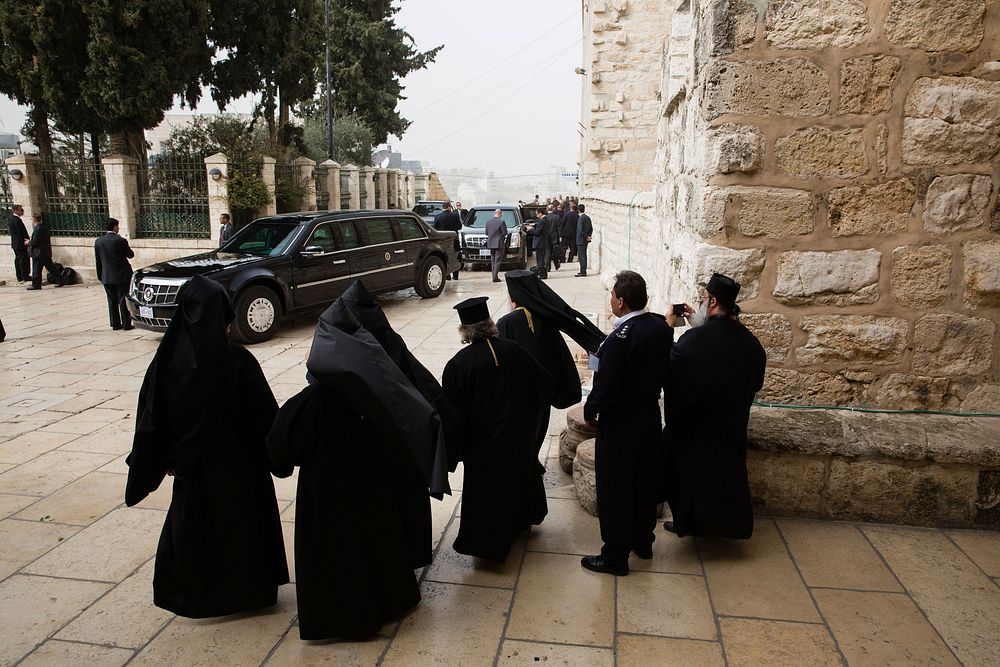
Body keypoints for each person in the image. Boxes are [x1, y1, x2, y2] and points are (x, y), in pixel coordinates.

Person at [267, 297, 449, 640]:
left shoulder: (311, 403)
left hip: (327, 499)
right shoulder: (379, 392)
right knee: (377, 545)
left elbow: (278, 449)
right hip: (374, 491)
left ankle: (343, 619)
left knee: (338, 555)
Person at [124, 275, 289, 617]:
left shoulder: (166, 361)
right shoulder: (238, 361)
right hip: (242, 468)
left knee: (196, 529)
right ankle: (249, 593)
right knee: (243, 527)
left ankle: (196, 597)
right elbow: (265, 415)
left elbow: (151, 418)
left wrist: (163, 457)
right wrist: (281, 454)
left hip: (194, 469)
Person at [442, 297, 554, 561]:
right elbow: (545, 384)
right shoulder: (515, 350)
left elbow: (452, 414)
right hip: (519, 438)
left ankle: (489, 547)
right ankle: (519, 525)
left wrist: (454, 450)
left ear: (465, 331)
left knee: (488, 496)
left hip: (484, 446)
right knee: (517, 482)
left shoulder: (459, 364)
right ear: (490, 324)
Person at [581, 271, 672, 576]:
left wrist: (590, 411)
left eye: (612, 296)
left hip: (620, 424)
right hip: (648, 418)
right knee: (644, 482)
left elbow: (605, 387)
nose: (610, 301)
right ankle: (643, 542)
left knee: (615, 488)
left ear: (620, 301)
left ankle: (615, 555)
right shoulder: (658, 326)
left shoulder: (621, 338)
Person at [662, 273, 766, 540]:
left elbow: (673, 372)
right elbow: (755, 382)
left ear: (713, 301)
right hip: (731, 428)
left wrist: (668, 328)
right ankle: (730, 527)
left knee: (689, 476)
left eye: (704, 298)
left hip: (696, 431)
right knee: (728, 478)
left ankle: (688, 522)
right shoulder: (751, 344)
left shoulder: (693, 342)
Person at [497, 271, 593, 462]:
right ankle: (532, 463)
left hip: (517, 394)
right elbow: (557, 354)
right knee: (538, 428)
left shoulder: (506, 323)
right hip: (542, 391)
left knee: (518, 434)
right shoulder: (545, 319)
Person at [94, 218, 135, 331]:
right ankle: (126, 324)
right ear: (115, 227)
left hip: (106, 276)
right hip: (121, 275)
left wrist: (100, 275)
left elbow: (98, 261)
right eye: (117, 226)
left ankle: (115, 324)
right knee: (123, 299)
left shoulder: (98, 241)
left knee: (111, 300)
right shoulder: (120, 240)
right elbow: (130, 255)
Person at [26, 214, 60, 290]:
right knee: (51, 268)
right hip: (44, 253)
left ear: (34, 220)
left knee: (36, 270)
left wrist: (29, 242)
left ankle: (36, 285)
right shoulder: (43, 228)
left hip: (39, 253)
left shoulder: (38, 229)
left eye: (32, 219)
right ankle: (61, 280)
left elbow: (35, 241)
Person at [433, 201, 462, 280]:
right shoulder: (455, 215)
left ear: (443, 207)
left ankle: (447, 276)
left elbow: (435, 228)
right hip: (453, 239)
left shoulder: (438, 216)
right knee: (455, 256)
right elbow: (459, 227)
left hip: (443, 240)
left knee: (444, 257)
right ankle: (455, 276)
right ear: (449, 207)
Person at [8, 204, 29, 283]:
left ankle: (20, 276)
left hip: (16, 243)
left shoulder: (12, 219)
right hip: (20, 243)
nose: (22, 211)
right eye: (21, 210)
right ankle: (24, 276)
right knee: (22, 260)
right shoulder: (16, 220)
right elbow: (20, 233)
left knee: (18, 259)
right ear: (16, 210)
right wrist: (25, 241)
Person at [485, 209, 508, 283]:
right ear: (500, 214)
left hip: (491, 243)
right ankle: (495, 277)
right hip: (499, 244)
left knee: (493, 260)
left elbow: (486, 233)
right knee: (497, 261)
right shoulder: (501, 222)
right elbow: (505, 233)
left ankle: (494, 275)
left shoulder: (488, 222)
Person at [575, 204, 593, 277]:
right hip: (586, 240)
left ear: (578, 210)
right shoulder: (588, 218)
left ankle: (583, 272)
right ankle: (583, 271)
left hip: (580, 240)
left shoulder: (580, 219)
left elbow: (580, 230)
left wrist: (586, 236)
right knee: (584, 256)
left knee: (582, 256)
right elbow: (591, 228)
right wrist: (588, 236)